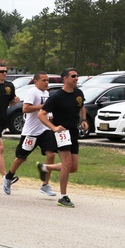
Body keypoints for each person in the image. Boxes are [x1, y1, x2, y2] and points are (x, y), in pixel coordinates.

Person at [37, 67, 87, 208]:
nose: (76, 78)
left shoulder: (78, 93)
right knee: (67, 164)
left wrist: (83, 120)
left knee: (73, 167)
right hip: (62, 132)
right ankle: (63, 197)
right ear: (65, 79)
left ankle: (45, 167)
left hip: (73, 132)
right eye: (73, 76)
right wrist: (54, 128)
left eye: (77, 76)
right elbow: (41, 114)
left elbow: (82, 106)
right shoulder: (57, 96)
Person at [3, 72, 56, 197]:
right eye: (43, 80)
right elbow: (25, 109)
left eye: (47, 80)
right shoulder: (33, 92)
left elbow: (44, 111)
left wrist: (49, 115)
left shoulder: (46, 93)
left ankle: (45, 184)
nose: (46, 82)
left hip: (44, 129)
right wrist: (44, 106)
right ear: (36, 81)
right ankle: (8, 177)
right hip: (31, 132)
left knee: (51, 154)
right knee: (22, 157)